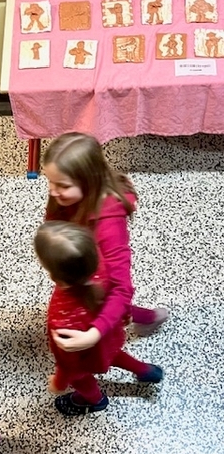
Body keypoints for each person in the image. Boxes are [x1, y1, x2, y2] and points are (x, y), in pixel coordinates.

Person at [42, 133, 169, 356]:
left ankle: (150, 318)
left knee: (107, 303)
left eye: (62, 185)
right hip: (80, 264)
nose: (52, 190)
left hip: (99, 274)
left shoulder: (110, 225)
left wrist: (95, 333)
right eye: (49, 181)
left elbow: (121, 288)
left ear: (88, 181)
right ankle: (149, 316)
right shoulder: (65, 193)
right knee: (94, 302)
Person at [34, 222, 163, 416]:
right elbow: (118, 297)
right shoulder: (103, 265)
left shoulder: (61, 318)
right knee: (114, 354)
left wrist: (58, 383)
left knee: (81, 380)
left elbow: (69, 365)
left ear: (55, 277)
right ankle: (145, 371)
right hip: (110, 336)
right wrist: (126, 316)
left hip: (87, 358)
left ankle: (94, 400)